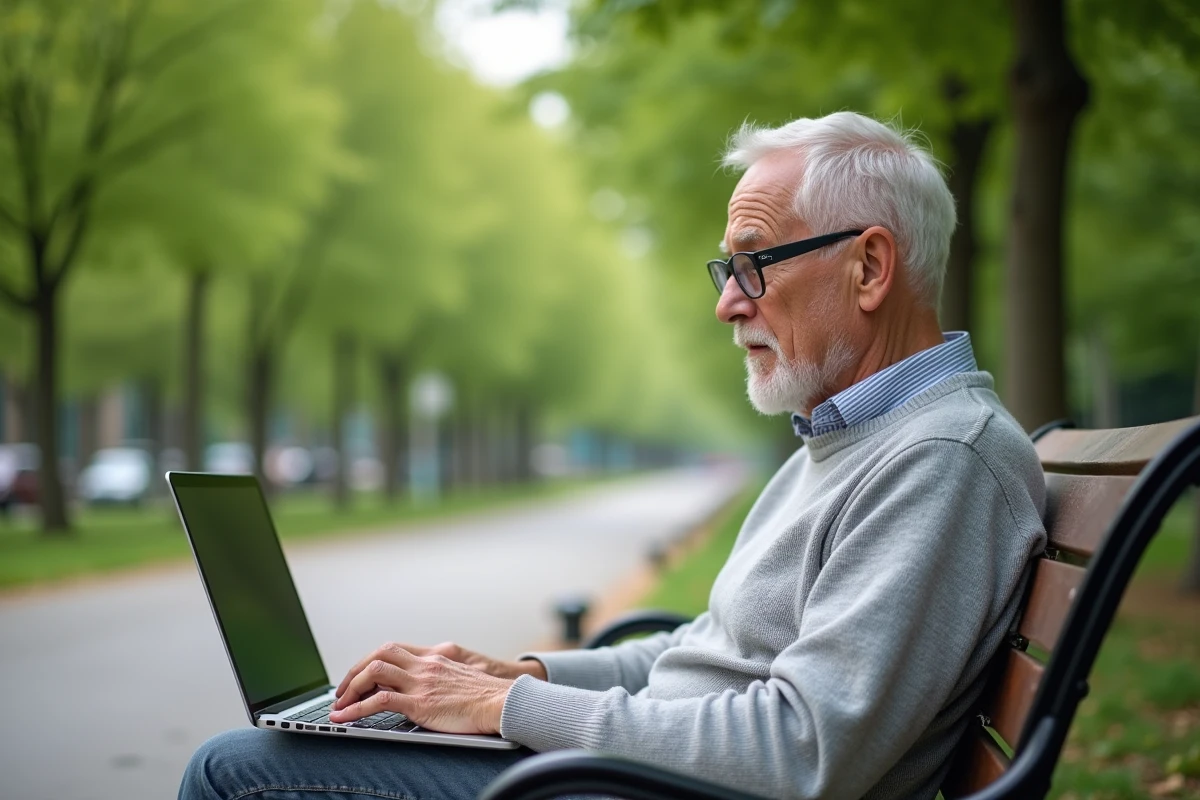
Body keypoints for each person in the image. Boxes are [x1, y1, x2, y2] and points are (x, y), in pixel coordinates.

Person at [180, 111, 1046, 800]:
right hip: (638, 774)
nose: (727, 307)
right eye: (726, 272)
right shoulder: (857, 440)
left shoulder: (941, 460)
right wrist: (521, 673)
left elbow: (802, 750)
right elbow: (705, 652)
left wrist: (502, 709)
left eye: (753, 266)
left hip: (644, 786)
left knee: (236, 772)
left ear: (868, 268)